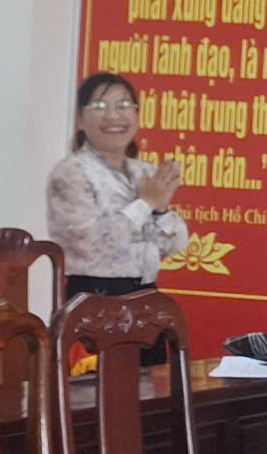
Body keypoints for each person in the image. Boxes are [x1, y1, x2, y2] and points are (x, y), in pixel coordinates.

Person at [46, 71, 186, 301]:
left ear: (137, 115)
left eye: (123, 105)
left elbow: (175, 246)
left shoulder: (144, 172)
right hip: (93, 296)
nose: (113, 115)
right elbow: (90, 244)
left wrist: (161, 210)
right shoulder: (71, 172)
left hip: (145, 293)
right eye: (100, 106)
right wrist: (145, 203)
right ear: (80, 119)